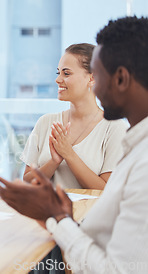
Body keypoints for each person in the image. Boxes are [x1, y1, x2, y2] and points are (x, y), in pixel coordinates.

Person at [0, 16, 148, 273]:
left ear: (119, 78)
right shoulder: (137, 144)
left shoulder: (139, 156)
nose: (96, 87)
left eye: (99, 74)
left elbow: (117, 268)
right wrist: (61, 216)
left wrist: (59, 217)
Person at [21, 43, 127, 190]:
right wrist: (53, 162)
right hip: (47, 212)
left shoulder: (114, 128)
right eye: (58, 73)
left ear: (92, 78)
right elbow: (26, 182)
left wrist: (69, 155)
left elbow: (108, 190)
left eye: (67, 73)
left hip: (89, 213)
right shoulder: (45, 123)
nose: (58, 80)